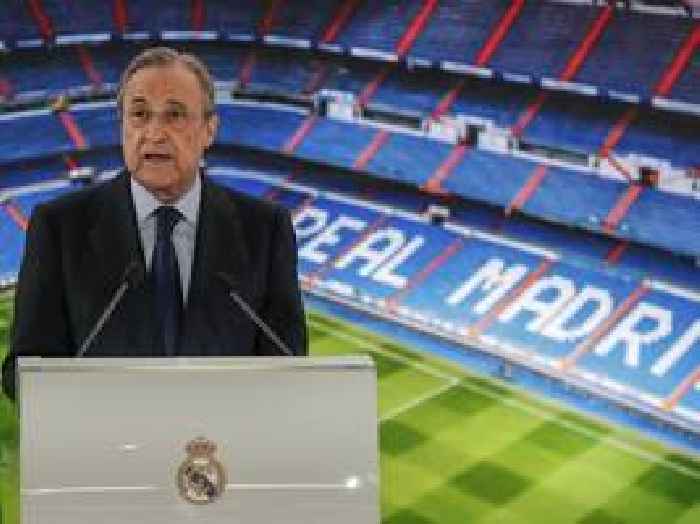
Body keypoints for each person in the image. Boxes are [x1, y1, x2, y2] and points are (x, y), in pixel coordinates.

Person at [2, 47, 307, 400]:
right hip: (107, 433)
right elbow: (24, 371)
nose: (155, 133)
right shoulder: (59, 227)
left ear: (209, 129)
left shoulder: (266, 230)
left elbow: (289, 369)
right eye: (140, 114)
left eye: (174, 115)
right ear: (122, 127)